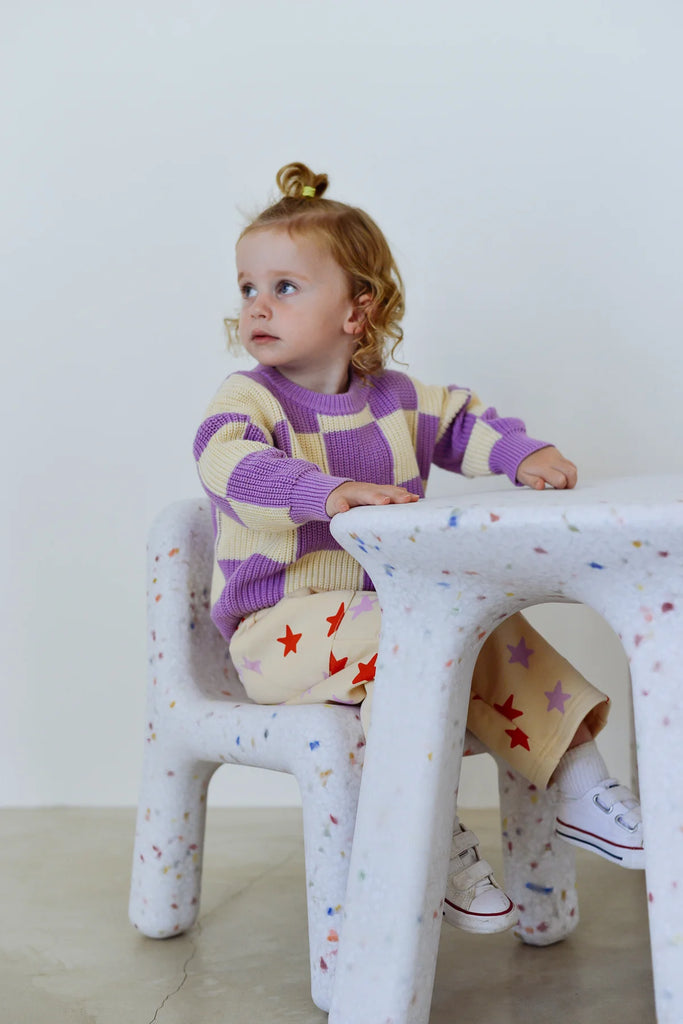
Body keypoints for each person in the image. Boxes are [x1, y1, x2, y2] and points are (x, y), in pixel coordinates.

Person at [193, 162, 644, 936]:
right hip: (280, 637)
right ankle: (430, 836)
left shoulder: (397, 402)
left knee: (485, 622)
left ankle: (579, 784)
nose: (256, 306)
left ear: (357, 309)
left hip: (383, 626)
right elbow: (225, 463)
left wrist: (521, 456)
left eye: (285, 287)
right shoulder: (250, 399)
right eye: (246, 288)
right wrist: (326, 493)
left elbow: (467, 422)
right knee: (415, 633)